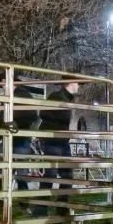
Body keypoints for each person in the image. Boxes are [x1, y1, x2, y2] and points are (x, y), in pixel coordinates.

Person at [34, 76, 79, 216]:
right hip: (53, 138)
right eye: (77, 83)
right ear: (71, 83)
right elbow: (44, 114)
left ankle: (60, 207)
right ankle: (43, 209)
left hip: (60, 139)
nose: (79, 86)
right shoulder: (57, 96)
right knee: (52, 174)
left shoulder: (66, 98)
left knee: (66, 174)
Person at [0, 71, 39, 195]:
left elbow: (32, 116)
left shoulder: (23, 95)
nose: (2, 87)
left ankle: (21, 198)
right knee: (0, 168)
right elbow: (2, 121)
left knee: (19, 170)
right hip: (9, 137)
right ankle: (1, 196)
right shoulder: (7, 97)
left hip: (21, 137)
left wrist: (17, 123)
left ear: (5, 81)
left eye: (2, 84)